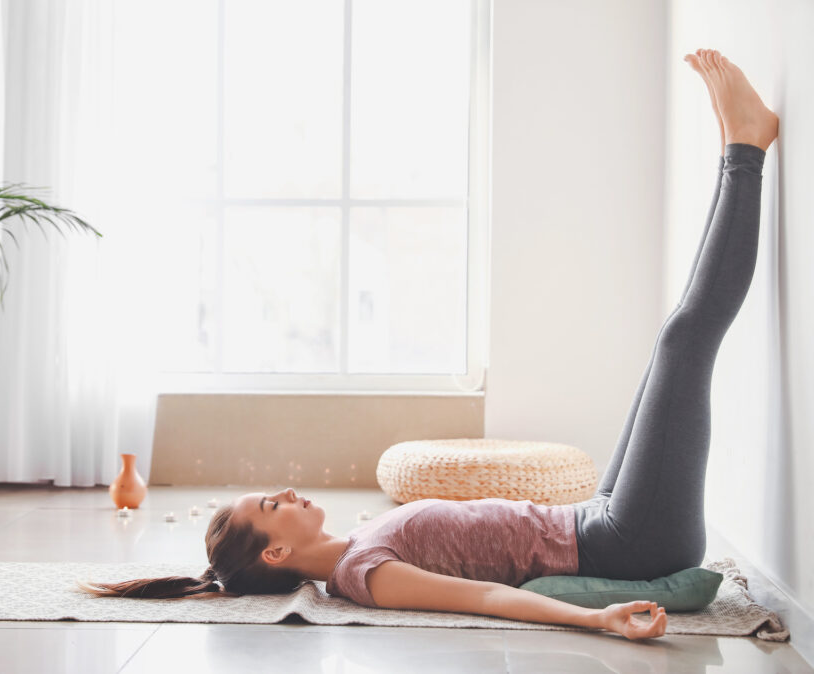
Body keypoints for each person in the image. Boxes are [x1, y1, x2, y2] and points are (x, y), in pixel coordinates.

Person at [80, 49, 779, 642]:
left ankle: (735, 147)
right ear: (281, 549)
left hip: (598, 516)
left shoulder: (360, 542)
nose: (284, 492)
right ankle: (745, 149)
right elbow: (486, 601)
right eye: (271, 505)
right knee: (686, 341)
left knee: (669, 345)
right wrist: (598, 621)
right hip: (627, 541)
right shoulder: (365, 574)